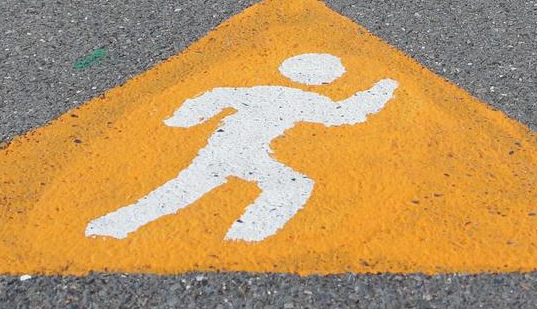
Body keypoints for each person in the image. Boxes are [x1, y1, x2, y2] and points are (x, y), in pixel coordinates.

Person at [85, 53, 398, 242]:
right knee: (291, 186)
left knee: (183, 189)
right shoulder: (305, 99)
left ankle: (113, 224)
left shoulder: (261, 89)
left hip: (230, 150)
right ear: (329, 77)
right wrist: (383, 89)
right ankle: (245, 237)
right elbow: (345, 114)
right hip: (238, 153)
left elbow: (219, 94)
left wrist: (183, 118)